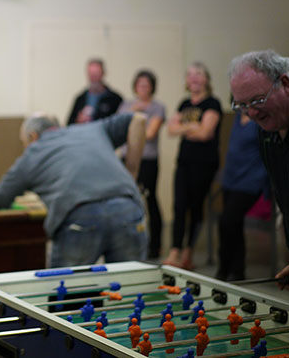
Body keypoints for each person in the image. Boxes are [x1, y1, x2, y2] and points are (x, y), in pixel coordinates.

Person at [0, 112, 148, 267]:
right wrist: (132, 172)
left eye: (24, 142)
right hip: (129, 209)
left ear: (32, 136)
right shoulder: (91, 129)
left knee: (68, 300)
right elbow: (138, 119)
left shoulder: (33, 154)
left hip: (79, 219)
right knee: (129, 295)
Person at [229, 49, 289, 290]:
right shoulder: (267, 129)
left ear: (285, 84)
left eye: (257, 100)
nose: (251, 112)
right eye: (242, 104)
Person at [164, 62, 222, 270]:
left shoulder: (212, 103)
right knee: (179, 206)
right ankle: (174, 251)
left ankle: (188, 253)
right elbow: (171, 130)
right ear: (187, 81)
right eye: (190, 75)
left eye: (198, 74)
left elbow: (206, 133)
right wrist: (192, 126)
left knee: (195, 207)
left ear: (206, 78)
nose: (194, 78)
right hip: (184, 161)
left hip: (204, 164)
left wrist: (183, 127)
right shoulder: (184, 103)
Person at [117, 69, 166, 259]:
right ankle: (125, 243)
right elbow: (118, 129)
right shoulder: (126, 105)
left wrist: (133, 123)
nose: (143, 88)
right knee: (125, 199)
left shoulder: (157, 107)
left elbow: (150, 133)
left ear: (152, 87)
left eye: (146, 85)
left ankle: (155, 246)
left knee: (150, 199)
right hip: (127, 158)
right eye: (139, 85)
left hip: (148, 159)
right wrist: (134, 114)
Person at [216, 112, 269, 281]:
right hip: (231, 179)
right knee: (233, 225)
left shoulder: (260, 119)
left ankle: (230, 268)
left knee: (228, 221)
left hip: (251, 180)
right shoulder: (238, 117)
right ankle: (232, 270)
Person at [67, 58, 123, 125]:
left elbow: (119, 125)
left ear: (103, 73)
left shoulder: (115, 99)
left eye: (96, 73)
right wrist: (78, 121)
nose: (93, 77)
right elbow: (68, 125)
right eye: (91, 74)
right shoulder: (80, 99)